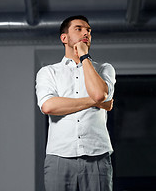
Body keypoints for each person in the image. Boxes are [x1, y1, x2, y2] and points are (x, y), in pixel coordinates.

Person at [35, 15, 116, 191]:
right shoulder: (48, 72)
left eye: (88, 30)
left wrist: (84, 56)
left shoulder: (104, 69)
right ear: (64, 38)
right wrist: (95, 102)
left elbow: (99, 94)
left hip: (97, 156)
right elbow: (49, 106)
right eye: (78, 29)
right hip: (59, 156)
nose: (86, 33)